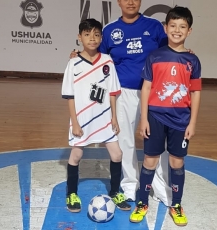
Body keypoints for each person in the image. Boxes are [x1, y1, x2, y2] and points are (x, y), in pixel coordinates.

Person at [71, 0, 172, 205]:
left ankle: (161, 187)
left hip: (152, 92)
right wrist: (77, 56)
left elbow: (169, 51)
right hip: (121, 93)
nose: (131, 2)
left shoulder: (153, 26)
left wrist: (186, 52)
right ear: (118, 2)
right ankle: (129, 185)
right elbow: (98, 56)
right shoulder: (109, 30)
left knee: (157, 141)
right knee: (125, 139)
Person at [129, 6, 201, 226]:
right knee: (149, 160)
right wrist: (144, 118)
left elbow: (195, 92)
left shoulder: (193, 60)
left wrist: (193, 122)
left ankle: (176, 204)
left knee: (176, 162)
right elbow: (146, 88)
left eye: (182, 27)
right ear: (165, 28)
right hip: (155, 118)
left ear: (189, 31)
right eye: (173, 26)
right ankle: (142, 203)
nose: (177, 30)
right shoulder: (154, 56)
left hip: (181, 120)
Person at [61, 18, 131, 213]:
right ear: (79, 37)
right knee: (76, 155)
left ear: (101, 37)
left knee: (117, 154)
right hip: (82, 120)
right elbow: (70, 96)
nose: (92, 38)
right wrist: (74, 123)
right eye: (87, 34)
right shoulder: (73, 63)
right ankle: (71, 193)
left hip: (104, 118)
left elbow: (112, 92)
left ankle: (116, 191)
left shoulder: (107, 61)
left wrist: (114, 117)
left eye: (96, 34)